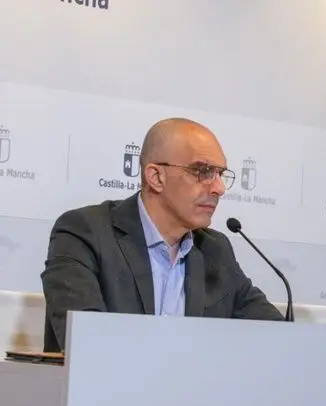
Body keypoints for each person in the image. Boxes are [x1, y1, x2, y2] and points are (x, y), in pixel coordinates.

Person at [41, 117, 283, 352]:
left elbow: (279, 337)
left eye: (221, 174)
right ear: (156, 176)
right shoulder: (84, 233)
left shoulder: (214, 249)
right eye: (204, 171)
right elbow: (86, 345)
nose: (219, 188)